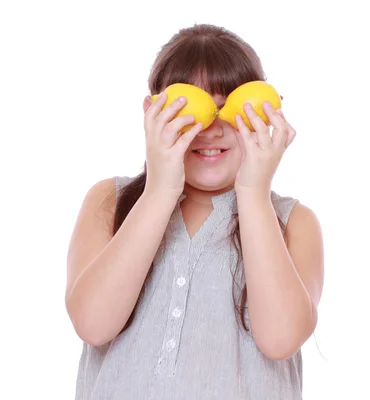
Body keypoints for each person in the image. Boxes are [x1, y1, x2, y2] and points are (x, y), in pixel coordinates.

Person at [65, 23, 324, 400]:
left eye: (230, 108)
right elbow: (91, 322)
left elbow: (281, 338)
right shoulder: (111, 199)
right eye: (190, 110)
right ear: (151, 113)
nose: (211, 128)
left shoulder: (293, 222)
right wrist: (160, 189)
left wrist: (253, 192)